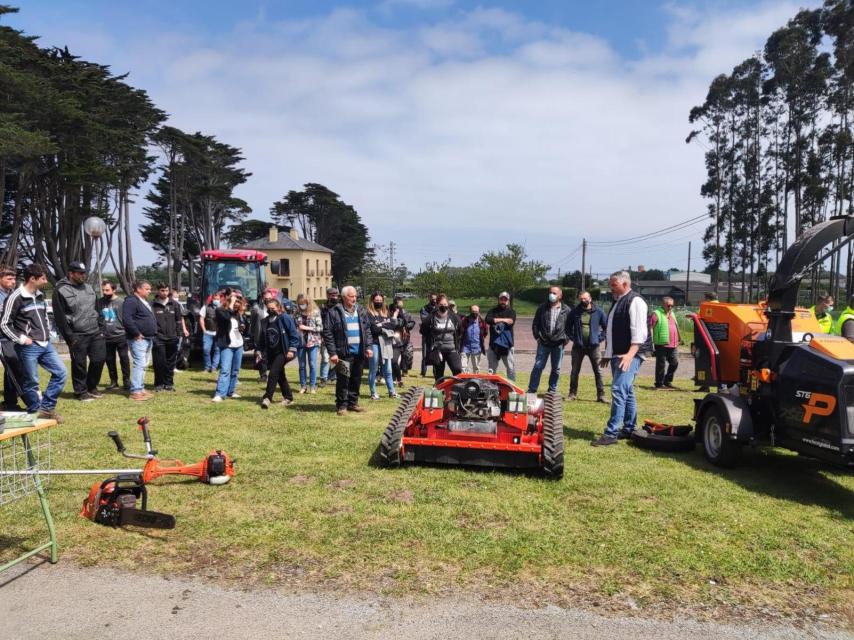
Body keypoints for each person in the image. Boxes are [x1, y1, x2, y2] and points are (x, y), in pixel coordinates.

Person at [592, 271, 651, 447]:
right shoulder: (618, 302)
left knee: (618, 390)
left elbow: (640, 333)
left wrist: (630, 355)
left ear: (625, 284)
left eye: (613, 285)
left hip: (630, 355)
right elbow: (611, 330)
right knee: (627, 391)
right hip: (618, 355)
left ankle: (611, 434)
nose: (611, 289)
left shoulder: (636, 301)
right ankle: (629, 428)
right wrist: (608, 354)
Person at [0, 264, 67, 421]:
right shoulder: (15, 297)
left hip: (45, 344)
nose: (45, 281)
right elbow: (4, 323)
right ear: (32, 279)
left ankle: (46, 408)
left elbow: (44, 316)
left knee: (61, 373)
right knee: (31, 381)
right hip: (28, 346)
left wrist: (48, 333)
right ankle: (35, 410)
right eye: (43, 278)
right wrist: (22, 339)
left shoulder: (40, 295)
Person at [52, 261, 106, 401]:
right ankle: (81, 392)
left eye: (84, 273)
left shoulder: (89, 288)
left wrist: (101, 326)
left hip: (95, 332)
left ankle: (91, 386)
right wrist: (70, 337)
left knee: (99, 359)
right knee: (79, 364)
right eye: (80, 273)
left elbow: (97, 308)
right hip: (77, 334)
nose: (84, 275)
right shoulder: (60, 290)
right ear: (71, 273)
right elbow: (59, 317)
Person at [322, 285, 373, 416]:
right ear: (344, 297)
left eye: (355, 296)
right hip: (343, 353)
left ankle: (353, 403)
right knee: (343, 379)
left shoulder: (360, 310)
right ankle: (342, 405)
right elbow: (327, 333)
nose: (354, 299)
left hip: (359, 353)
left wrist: (368, 347)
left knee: (356, 379)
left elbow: (367, 330)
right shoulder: (334, 312)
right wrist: (333, 353)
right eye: (351, 296)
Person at [527, 286, 571, 394]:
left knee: (556, 369)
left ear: (560, 296)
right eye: (550, 292)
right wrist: (537, 337)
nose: (552, 295)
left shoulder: (567, 310)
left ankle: (552, 389)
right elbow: (535, 324)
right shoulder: (542, 308)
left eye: (554, 293)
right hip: (543, 343)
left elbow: (571, 326)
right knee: (538, 366)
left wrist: (566, 338)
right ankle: (532, 389)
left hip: (558, 344)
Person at [257, 298, 299, 408]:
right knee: (280, 375)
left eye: (273, 308)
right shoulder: (265, 321)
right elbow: (262, 338)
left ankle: (267, 397)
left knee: (273, 373)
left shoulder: (284, 318)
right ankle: (288, 397)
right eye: (269, 308)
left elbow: (294, 335)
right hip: (271, 353)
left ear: (279, 307)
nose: (271, 310)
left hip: (283, 351)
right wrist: (259, 351)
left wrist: (292, 349)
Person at [566, 290, 607, 402]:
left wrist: (600, 339)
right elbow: (567, 327)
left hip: (594, 347)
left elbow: (606, 327)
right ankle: (572, 394)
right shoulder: (574, 312)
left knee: (598, 371)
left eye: (585, 298)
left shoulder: (599, 312)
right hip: (578, 347)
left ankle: (601, 395)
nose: (583, 300)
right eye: (581, 299)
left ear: (590, 298)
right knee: (574, 370)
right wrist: (573, 338)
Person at [123, 280, 156, 401]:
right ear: (138, 289)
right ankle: (135, 391)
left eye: (149, 289)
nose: (149, 291)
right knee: (139, 364)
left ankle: (141, 388)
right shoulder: (131, 301)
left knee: (144, 364)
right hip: (138, 339)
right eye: (147, 289)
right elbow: (127, 319)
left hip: (148, 338)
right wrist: (136, 333)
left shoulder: (144, 301)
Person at [152, 283, 187, 392]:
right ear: (158, 291)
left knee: (170, 362)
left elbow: (178, 320)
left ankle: (169, 384)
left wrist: (179, 334)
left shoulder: (174, 304)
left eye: (166, 290)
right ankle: (159, 384)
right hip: (158, 338)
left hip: (172, 337)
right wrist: (154, 334)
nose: (165, 293)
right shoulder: (153, 304)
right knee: (159, 362)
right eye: (162, 290)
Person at [213, 291, 247, 402]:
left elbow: (245, 327)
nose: (237, 305)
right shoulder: (220, 311)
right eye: (235, 302)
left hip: (238, 344)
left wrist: (243, 327)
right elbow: (227, 318)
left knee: (235, 370)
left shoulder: (238, 314)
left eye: (238, 303)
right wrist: (231, 303)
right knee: (225, 370)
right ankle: (220, 394)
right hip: (227, 344)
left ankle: (231, 391)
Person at [97, 280, 130, 391]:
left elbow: (126, 319)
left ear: (114, 290)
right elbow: (99, 318)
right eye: (103, 290)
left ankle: (126, 381)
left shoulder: (121, 302)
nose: (105, 292)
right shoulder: (100, 302)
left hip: (121, 335)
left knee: (124, 359)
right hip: (106, 337)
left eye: (107, 290)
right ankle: (113, 381)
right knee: (109, 360)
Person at [366, 292, 400, 399]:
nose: (379, 302)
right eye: (377, 300)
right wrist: (385, 325)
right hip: (375, 343)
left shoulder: (386, 312)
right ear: (372, 301)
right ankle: (373, 392)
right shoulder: (369, 313)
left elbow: (393, 325)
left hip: (386, 343)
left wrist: (381, 325)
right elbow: (374, 329)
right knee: (374, 368)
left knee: (388, 369)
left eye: (380, 301)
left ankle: (392, 391)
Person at [421, 293, 462, 380]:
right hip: (438, 350)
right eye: (441, 305)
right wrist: (431, 340)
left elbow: (460, 330)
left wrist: (457, 341)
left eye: (445, 305)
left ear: (448, 305)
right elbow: (423, 330)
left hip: (452, 349)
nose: (443, 306)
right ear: (437, 305)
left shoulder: (453, 316)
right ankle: (440, 391)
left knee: (457, 369)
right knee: (439, 375)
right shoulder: (432, 317)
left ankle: (454, 389)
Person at [0, 266, 24, 410]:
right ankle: (10, 403)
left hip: (14, 336)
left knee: (15, 367)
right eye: (9, 278)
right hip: (2, 338)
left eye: (14, 278)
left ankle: (10, 401)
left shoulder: (14, 294)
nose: (13, 281)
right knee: (12, 367)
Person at [294, 293, 323, 394]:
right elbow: (294, 327)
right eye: (300, 304)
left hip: (313, 341)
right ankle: (303, 386)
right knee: (302, 365)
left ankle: (313, 386)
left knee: (312, 364)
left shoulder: (315, 312)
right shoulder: (297, 313)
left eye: (303, 303)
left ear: (308, 302)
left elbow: (320, 328)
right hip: (301, 342)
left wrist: (307, 328)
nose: (302, 305)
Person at [650, 296, 680, 390]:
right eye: (668, 305)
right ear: (663, 304)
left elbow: (675, 326)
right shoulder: (656, 314)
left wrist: (679, 338)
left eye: (672, 305)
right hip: (661, 343)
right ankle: (659, 383)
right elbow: (650, 327)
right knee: (661, 364)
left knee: (675, 363)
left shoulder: (672, 314)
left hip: (673, 344)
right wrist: (652, 343)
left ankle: (667, 380)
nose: (670, 307)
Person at [485, 292, 516, 380]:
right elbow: (488, 319)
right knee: (491, 369)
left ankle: (511, 388)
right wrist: (504, 320)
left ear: (508, 301)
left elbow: (511, 321)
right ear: (499, 300)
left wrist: (495, 320)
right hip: (494, 344)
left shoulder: (511, 311)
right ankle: (491, 387)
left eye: (505, 299)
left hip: (507, 345)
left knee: (510, 368)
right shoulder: (492, 311)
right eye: (501, 299)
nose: (503, 301)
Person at [389, 295, 415, 385]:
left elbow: (412, 322)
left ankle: (405, 370)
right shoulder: (391, 312)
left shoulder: (406, 313)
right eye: (398, 304)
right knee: (394, 358)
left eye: (401, 304)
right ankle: (393, 375)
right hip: (395, 338)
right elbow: (392, 323)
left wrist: (406, 326)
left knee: (405, 356)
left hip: (405, 337)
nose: (400, 306)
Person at [250, 290, 274, 382]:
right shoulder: (256, 308)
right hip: (260, 335)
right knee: (260, 355)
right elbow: (252, 322)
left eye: (270, 298)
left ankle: (273, 374)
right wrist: (252, 335)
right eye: (266, 298)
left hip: (271, 335)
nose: (268, 300)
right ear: (262, 298)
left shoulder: (275, 307)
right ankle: (263, 375)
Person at [318, 287, 339, 388]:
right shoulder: (323, 307)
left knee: (337, 358)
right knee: (326, 359)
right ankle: (323, 378)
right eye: (332, 295)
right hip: (326, 336)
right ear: (327, 295)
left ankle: (333, 376)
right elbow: (320, 322)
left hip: (338, 337)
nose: (334, 297)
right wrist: (322, 336)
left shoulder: (340, 306)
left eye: (335, 295)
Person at [459, 304, 488, 374]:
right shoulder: (465, 320)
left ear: (479, 312)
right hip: (465, 347)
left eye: (476, 311)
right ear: (470, 311)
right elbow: (460, 331)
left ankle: (475, 381)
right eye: (473, 311)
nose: (475, 313)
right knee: (463, 367)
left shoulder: (482, 321)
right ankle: (465, 382)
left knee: (476, 367)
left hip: (476, 347)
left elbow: (485, 332)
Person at [199, 292, 221, 373]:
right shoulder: (205, 307)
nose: (216, 300)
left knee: (217, 350)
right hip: (207, 333)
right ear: (212, 299)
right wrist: (204, 330)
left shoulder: (222, 308)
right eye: (215, 299)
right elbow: (201, 318)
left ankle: (214, 367)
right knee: (206, 349)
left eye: (218, 299)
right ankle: (207, 367)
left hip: (218, 333)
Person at [418, 293, 438, 376]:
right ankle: (423, 372)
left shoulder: (438, 308)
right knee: (425, 353)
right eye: (432, 299)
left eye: (435, 299)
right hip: (426, 334)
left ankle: (435, 372)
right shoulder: (424, 308)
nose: (434, 300)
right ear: (429, 299)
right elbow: (425, 320)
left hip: (436, 335)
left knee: (435, 353)